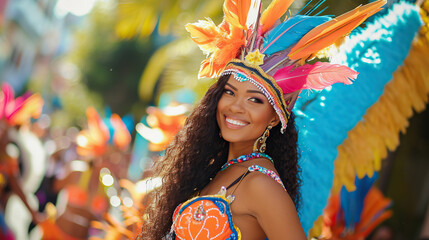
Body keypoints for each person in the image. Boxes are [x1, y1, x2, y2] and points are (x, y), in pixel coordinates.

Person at [141, 0, 386, 239]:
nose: (236, 107)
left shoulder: (261, 185)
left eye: (255, 100)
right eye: (229, 92)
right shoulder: (218, 168)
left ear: (273, 119)